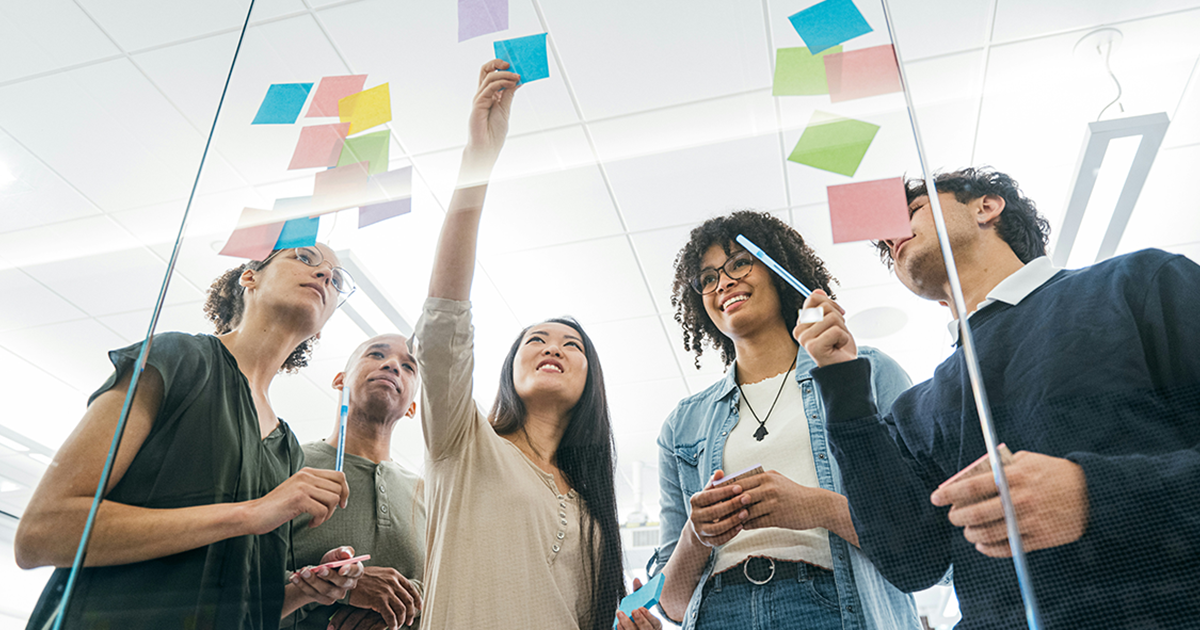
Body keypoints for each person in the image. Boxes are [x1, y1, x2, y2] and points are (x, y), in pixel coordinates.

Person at [796, 168, 1200, 628]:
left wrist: (1096, 494)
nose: (892, 238)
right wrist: (842, 381)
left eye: (912, 211)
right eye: (885, 245)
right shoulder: (916, 411)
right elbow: (912, 560)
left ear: (986, 207)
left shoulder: (1137, 283)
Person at [412, 60, 659, 630]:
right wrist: (479, 161)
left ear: (590, 381)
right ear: (509, 368)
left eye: (572, 345)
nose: (553, 347)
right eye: (537, 340)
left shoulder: (593, 511)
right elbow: (443, 321)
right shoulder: (462, 443)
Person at [16, 244, 365, 630]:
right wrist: (251, 514)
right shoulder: (178, 359)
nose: (323, 276)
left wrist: (305, 591)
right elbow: (42, 533)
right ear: (249, 277)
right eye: (304, 258)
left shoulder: (287, 449)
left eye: (336, 279)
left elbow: (244, 608)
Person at [651, 211, 921, 630]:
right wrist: (697, 534)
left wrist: (816, 507)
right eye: (707, 278)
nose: (723, 282)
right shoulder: (682, 425)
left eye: (740, 262)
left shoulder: (864, 372)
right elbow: (671, 602)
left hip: (837, 607)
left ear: (780, 270)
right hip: (719, 615)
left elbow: (921, 543)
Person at [283, 333, 426, 630]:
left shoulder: (429, 494)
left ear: (412, 407)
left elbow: (451, 590)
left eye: (409, 366)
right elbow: (235, 581)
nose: (391, 365)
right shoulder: (285, 462)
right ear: (340, 380)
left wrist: (400, 605)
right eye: (376, 354)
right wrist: (343, 587)